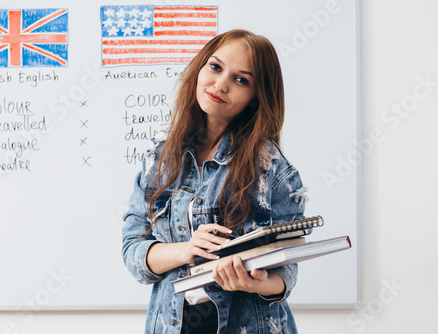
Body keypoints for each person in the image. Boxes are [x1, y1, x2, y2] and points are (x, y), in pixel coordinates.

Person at [122, 29, 308, 334]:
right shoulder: (160, 155)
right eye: (216, 67)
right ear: (200, 68)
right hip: (172, 324)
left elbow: (285, 271)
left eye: (241, 80)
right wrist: (188, 249)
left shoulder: (270, 165)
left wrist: (257, 282)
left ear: (255, 96)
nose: (220, 85)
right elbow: (133, 251)